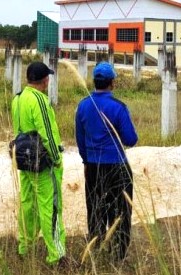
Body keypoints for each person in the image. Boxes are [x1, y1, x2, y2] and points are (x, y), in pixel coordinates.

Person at [75, 61, 138, 261]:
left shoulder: (83, 105)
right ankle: (118, 254)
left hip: (93, 166)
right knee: (121, 210)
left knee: (95, 208)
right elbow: (131, 139)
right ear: (112, 83)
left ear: (94, 81)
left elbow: (80, 139)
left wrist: (86, 161)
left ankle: (95, 249)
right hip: (117, 166)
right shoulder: (118, 107)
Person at [11, 62, 66, 266]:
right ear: (45, 80)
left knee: (27, 204)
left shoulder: (18, 98)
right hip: (41, 163)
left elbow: (18, 130)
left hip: (23, 160)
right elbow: (48, 134)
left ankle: (25, 246)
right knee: (50, 207)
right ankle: (57, 254)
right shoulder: (40, 100)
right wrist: (57, 159)